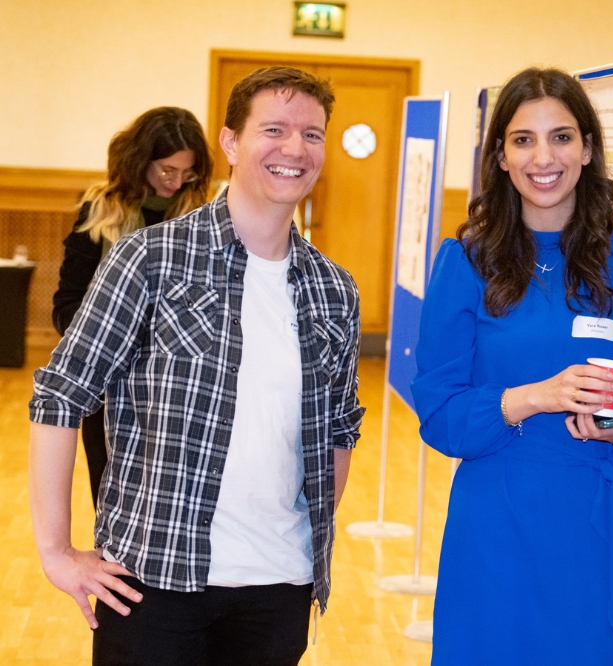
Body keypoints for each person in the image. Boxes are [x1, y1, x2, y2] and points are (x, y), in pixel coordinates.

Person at [29, 66, 364, 666]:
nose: (295, 148)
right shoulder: (149, 259)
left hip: (279, 588)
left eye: (312, 134)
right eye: (275, 129)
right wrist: (56, 550)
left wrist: (303, 540)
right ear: (232, 142)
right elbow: (60, 395)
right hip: (152, 581)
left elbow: (340, 429)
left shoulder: (334, 290)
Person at [411, 68, 613, 664]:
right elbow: (438, 413)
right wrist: (532, 397)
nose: (544, 156)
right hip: (500, 529)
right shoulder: (464, 263)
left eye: (562, 137)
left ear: (588, 149)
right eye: (523, 140)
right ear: (502, 158)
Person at [52, 106, 212, 508]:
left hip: (181, 390)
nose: (176, 183)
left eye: (186, 172)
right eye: (166, 171)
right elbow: (66, 302)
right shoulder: (100, 211)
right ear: (140, 161)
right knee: (111, 502)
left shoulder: (202, 218)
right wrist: (104, 335)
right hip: (107, 389)